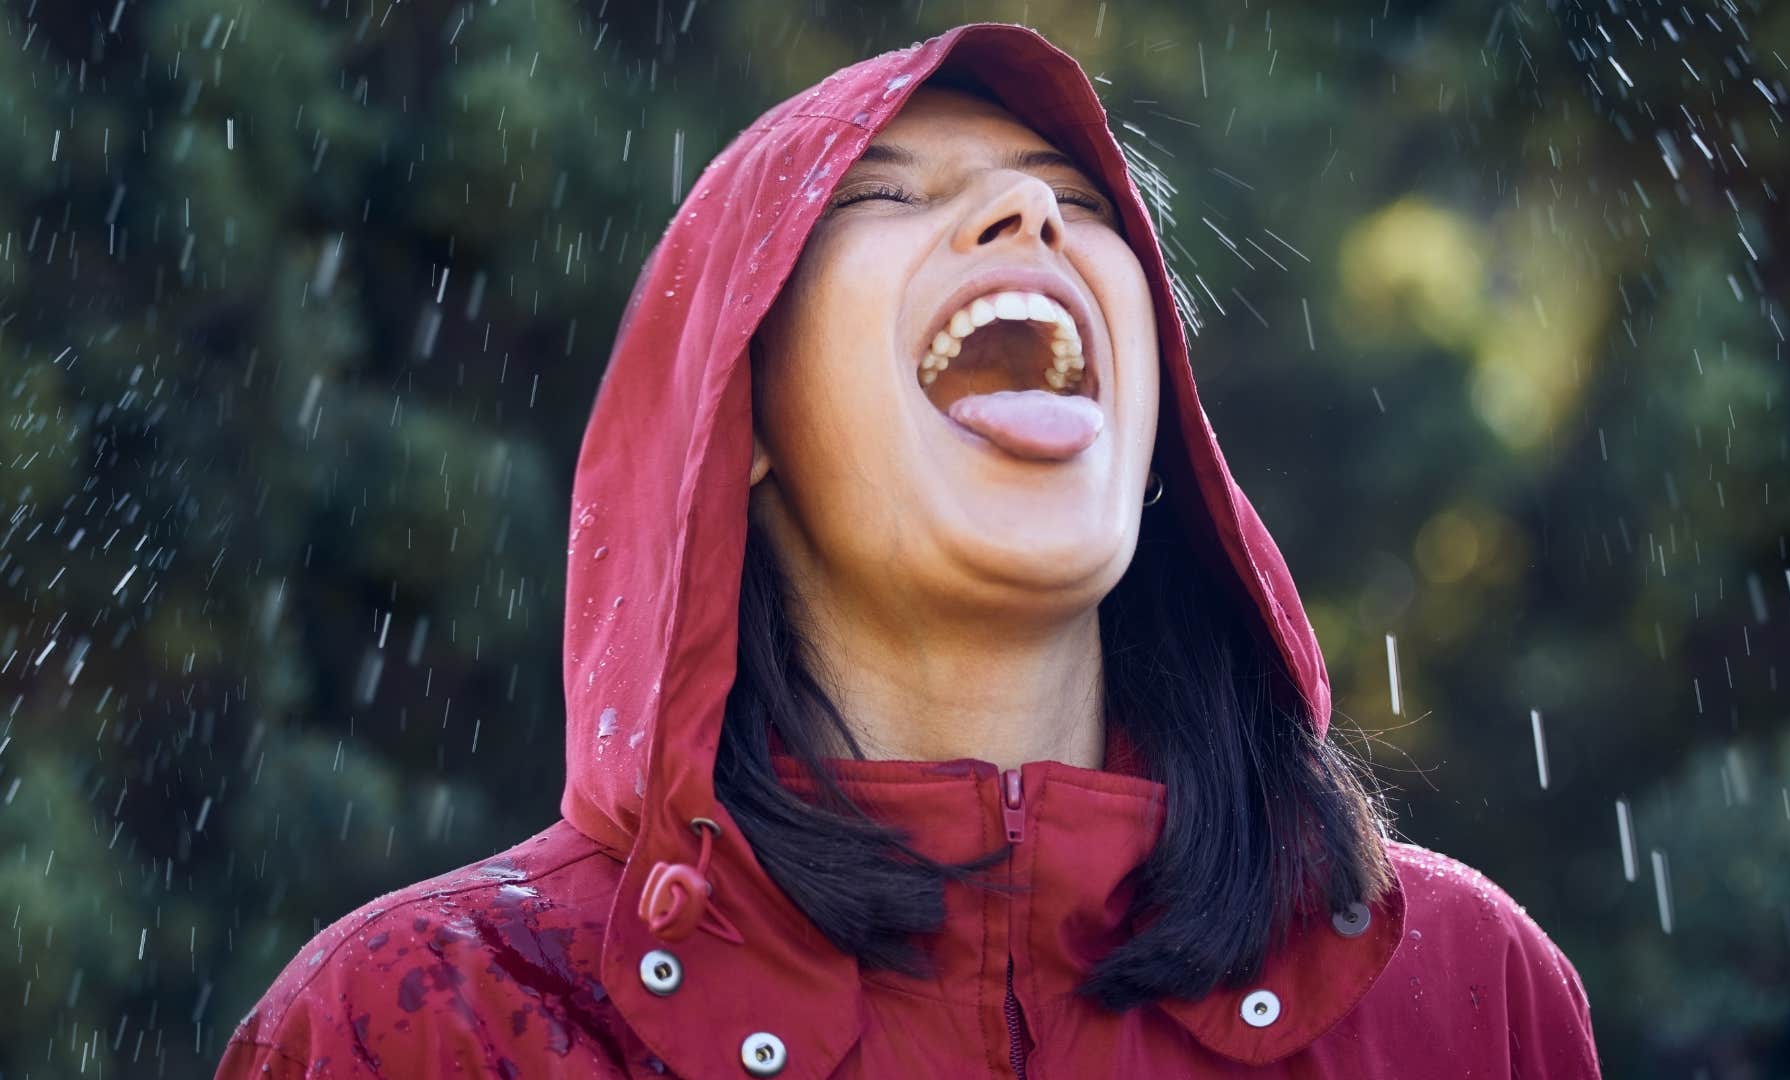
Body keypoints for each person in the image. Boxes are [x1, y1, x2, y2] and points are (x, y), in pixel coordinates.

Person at [217, 22, 1602, 1078]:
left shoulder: (1458, 993)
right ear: (736, 418)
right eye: (882, 195)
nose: (1029, 216)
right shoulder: (434, 1020)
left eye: (1078, 197)